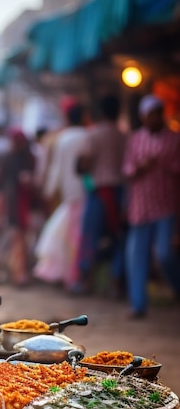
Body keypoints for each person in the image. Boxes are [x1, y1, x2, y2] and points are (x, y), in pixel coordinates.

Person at [121, 94, 180, 319]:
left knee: (164, 253)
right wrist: (140, 167)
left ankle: (177, 288)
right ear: (143, 117)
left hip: (165, 205)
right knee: (136, 257)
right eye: (150, 115)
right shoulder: (135, 140)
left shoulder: (174, 140)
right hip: (140, 206)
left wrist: (160, 163)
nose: (154, 119)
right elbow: (126, 170)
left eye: (157, 114)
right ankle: (138, 305)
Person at [33, 99, 90, 291]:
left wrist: (49, 192)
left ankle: (69, 276)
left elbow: (55, 170)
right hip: (87, 193)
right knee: (79, 238)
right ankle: (75, 277)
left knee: (68, 238)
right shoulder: (86, 136)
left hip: (68, 194)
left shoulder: (62, 139)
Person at [75, 93, 127, 297]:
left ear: (101, 111)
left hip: (98, 192)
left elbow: (85, 163)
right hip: (119, 193)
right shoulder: (124, 135)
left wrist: (82, 166)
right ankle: (116, 283)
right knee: (119, 237)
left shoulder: (94, 134)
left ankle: (86, 282)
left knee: (90, 237)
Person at [0, 128, 37, 286]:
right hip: (13, 202)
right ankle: (17, 273)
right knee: (14, 237)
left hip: (22, 202)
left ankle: (5, 270)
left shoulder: (24, 158)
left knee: (15, 237)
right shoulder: (12, 158)